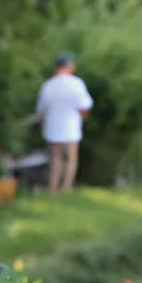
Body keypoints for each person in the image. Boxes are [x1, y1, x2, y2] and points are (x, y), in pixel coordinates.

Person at [36, 53, 93, 192]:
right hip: (71, 128)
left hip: (53, 129)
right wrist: (82, 116)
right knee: (70, 160)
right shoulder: (76, 84)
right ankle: (66, 188)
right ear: (70, 66)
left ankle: (52, 188)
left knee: (55, 160)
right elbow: (85, 107)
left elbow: (40, 112)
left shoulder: (48, 85)